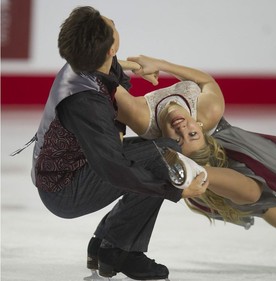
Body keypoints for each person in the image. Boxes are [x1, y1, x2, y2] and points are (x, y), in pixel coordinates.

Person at [110, 54, 276, 255]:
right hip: (213, 157)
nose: (183, 128)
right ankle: (201, 172)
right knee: (258, 200)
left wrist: (141, 64)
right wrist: (144, 65)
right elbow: (101, 80)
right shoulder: (199, 114)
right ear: (168, 144)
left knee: (263, 205)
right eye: (184, 137)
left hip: (225, 148)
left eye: (186, 135)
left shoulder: (180, 116)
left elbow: (102, 78)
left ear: (200, 128)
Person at [28, 6, 209, 281]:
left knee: (155, 152)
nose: (112, 20)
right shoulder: (85, 103)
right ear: (110, 49)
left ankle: (106, 244)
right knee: (162, 157)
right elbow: (114, 168)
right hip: (64, 191)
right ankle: (121, 251)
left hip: (70, 170)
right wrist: (173, 190)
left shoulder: (81, 62)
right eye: (111, 25)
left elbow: (107, 71)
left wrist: (133, 67)